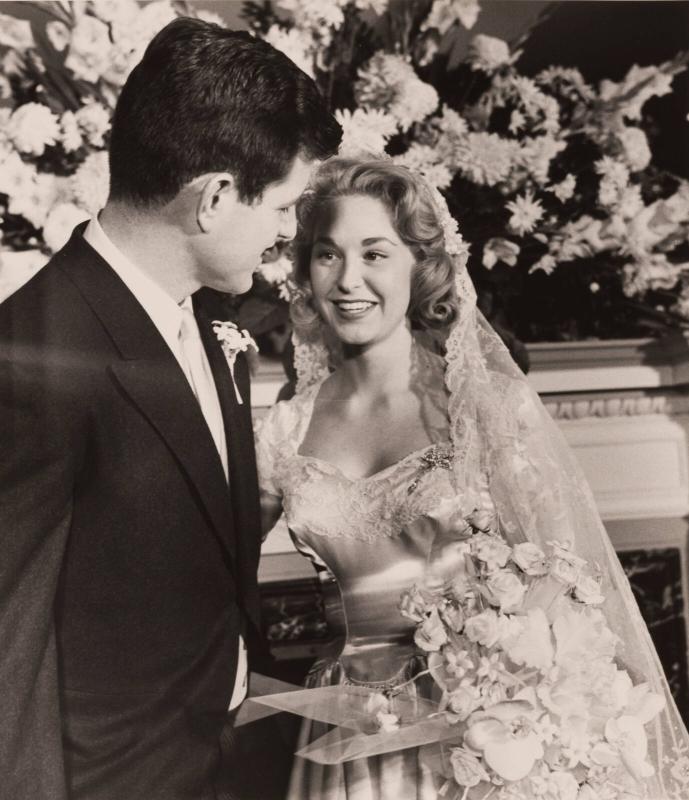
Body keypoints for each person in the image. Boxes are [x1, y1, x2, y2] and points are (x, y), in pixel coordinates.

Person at [254, 157, 689, 799]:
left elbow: (572, 596)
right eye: (327, 255)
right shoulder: (284, 429)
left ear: (419, 264)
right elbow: (206, 589)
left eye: (375, 253)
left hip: (482, 740)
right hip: (349, 748)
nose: (348, 280)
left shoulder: (488, 410)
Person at [0, 17, 341, 800]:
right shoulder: (30, 360)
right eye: (285, 207)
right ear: (215, 197)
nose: (289, 234)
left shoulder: (212, 317)